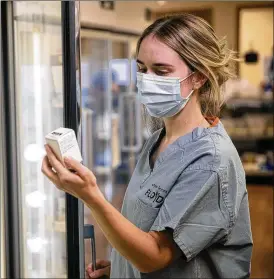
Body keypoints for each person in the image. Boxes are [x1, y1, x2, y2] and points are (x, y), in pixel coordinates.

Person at [42, 14, 253, 278]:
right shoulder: (158, 139)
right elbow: (143, 232)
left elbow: (155, 255)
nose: (147, 79)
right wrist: (121, 266)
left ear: (199, 77)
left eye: (161, 71)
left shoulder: (211, 160)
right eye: (142, 69)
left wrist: (90, 196)